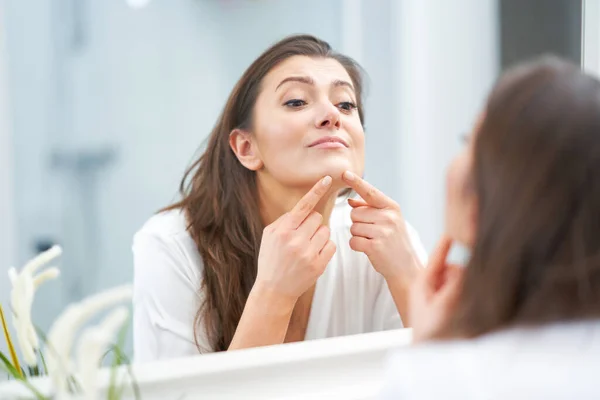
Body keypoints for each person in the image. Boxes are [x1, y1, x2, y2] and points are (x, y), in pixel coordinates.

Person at [132, 34, 427, 362]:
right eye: (297, 101)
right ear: (246, 148)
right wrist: (274, 293)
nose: (333, 115)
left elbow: (449, 383)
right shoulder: (173, 246)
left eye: (346, 103)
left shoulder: (385, 244)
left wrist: (409, 277)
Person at [380, 56, 600, 399]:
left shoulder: (439, 381)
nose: (330, 118)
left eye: (469, 142)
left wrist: (429, 355)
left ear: (483, 201)